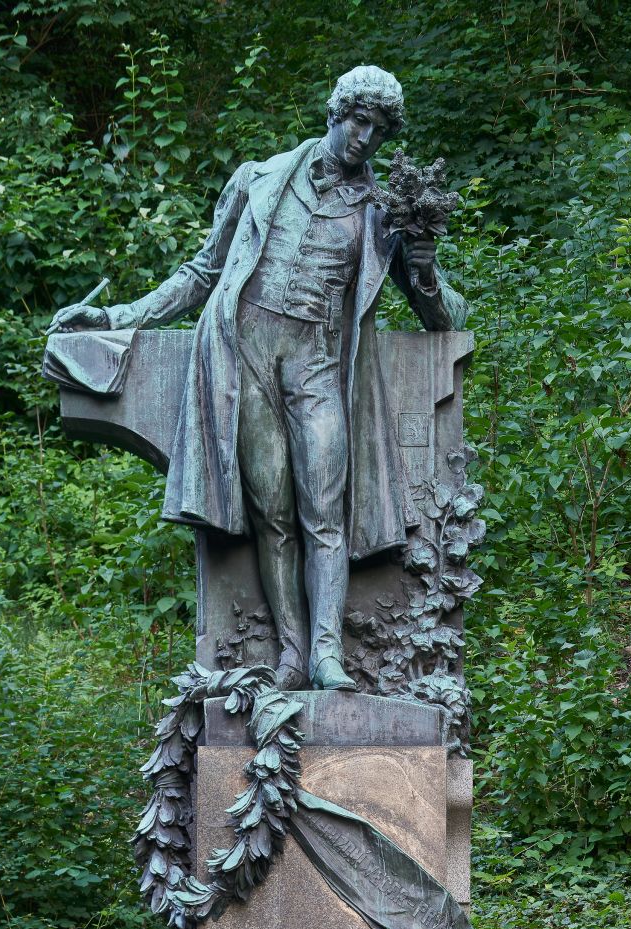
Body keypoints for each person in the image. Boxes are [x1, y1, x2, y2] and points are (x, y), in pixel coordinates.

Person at [49, 65, 467, 690]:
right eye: (359, 121)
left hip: (319, 364)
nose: (365, 138)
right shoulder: (258, 179)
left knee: (324, 510)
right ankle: (293, 652)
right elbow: (202, 273)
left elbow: (445, 318)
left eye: (379, 130)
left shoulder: (385, 215)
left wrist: (425, 270)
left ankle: (326, 655)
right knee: (272, 510)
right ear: (336, 113)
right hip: (246, 356)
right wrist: (118, 316)